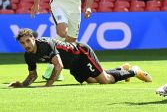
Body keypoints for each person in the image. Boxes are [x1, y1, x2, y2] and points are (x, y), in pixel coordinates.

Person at [8, 28, 152, 88]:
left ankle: (134, 71)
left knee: (105, 81)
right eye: (22, 43)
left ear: (33, 38)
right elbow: (33, 75)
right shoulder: (28, 56)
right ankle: (121, 69)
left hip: (81, 54)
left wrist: (49, 84)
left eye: (28, 41)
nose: (26, 45)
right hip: (74, 65)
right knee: (92, 81)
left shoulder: (45, 44)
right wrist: (22, 84)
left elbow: (58, 66)